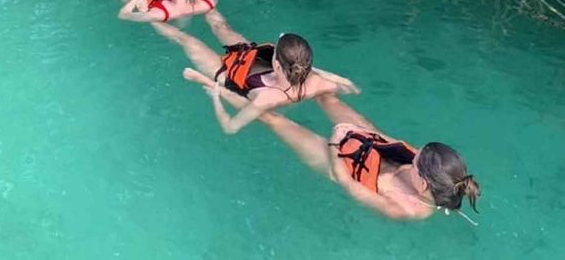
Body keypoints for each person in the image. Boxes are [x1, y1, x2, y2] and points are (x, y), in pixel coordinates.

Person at [186, 68, 481, 221]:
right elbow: (396, 144)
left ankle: (212, 85)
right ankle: (288, 74)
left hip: (337, 165)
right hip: (369, 148)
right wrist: (361, 132)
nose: (414, 157)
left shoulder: (406, 209)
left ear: (423, 185)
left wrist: (334, 141)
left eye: (416, 164)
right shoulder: (433, 166)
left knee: (273, 121)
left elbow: (347, 185)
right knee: (326, 96)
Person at [151, 17, 358, 133]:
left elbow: (230, 127)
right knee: (219, 24)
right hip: (248, 56)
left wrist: (212, 92)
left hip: (227, 74)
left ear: (277, 64)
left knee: (184, 39)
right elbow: (351, 89)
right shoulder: (318, 83)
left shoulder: (266, 99)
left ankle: (150, 16)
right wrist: (339, 79)